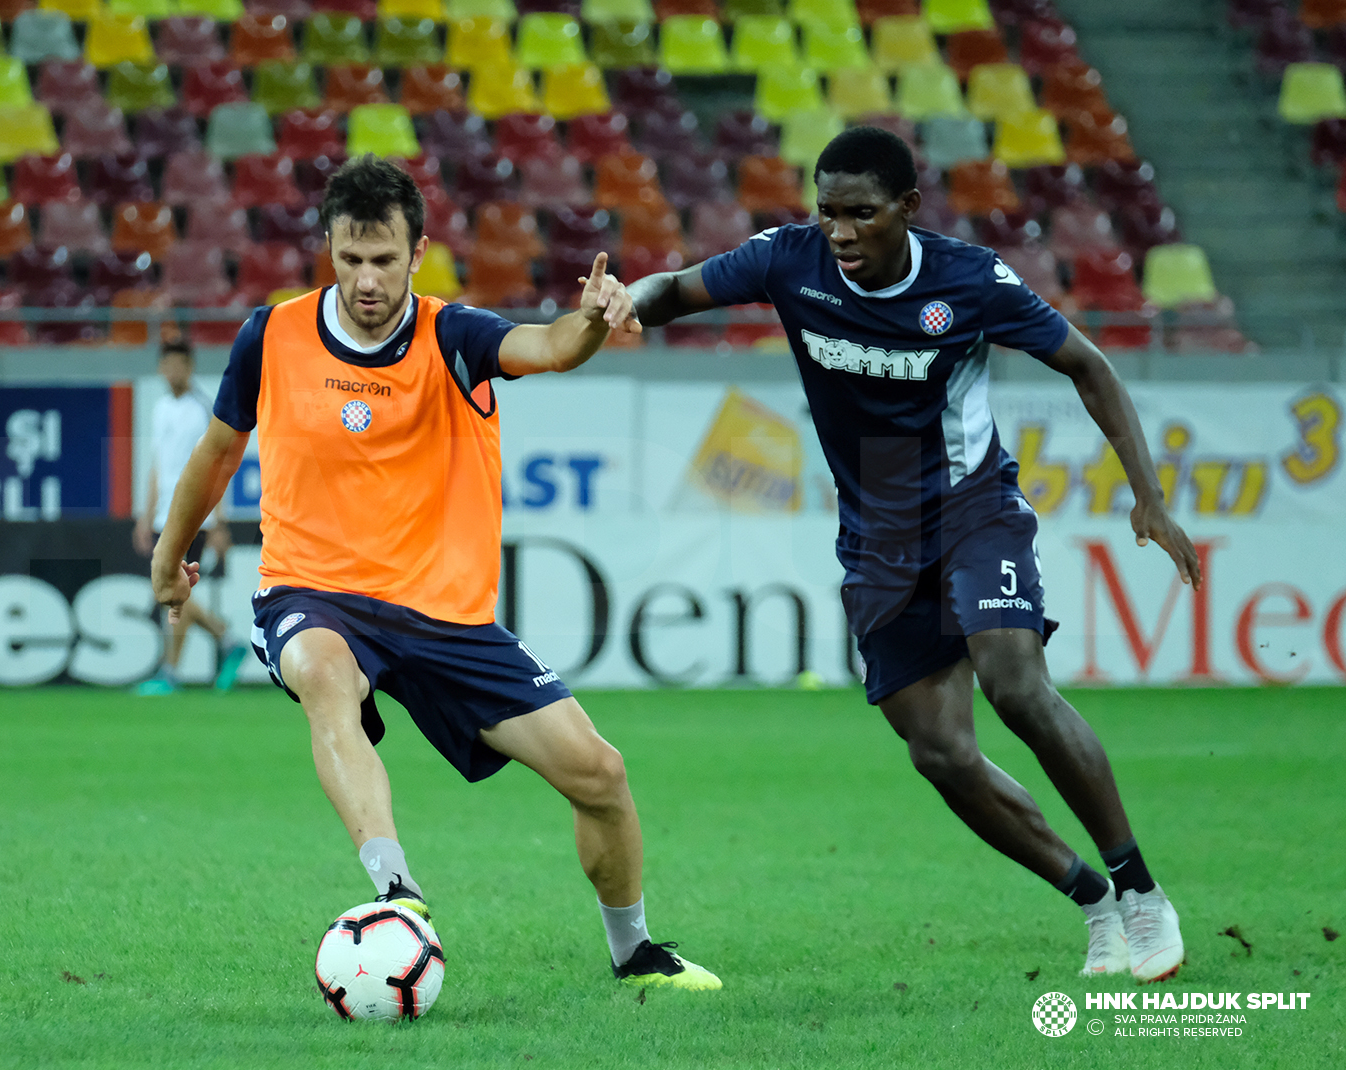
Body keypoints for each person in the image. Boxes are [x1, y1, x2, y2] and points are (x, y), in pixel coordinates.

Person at [628, 126, 1194, 983]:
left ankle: (1143, 892)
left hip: (973, 507)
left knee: (1014, 682)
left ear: (908, 208)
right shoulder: (789, 260)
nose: (842, 232)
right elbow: (673, 289)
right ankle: (1092, 901)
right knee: (938, 752)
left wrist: (1147, 494)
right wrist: (618, 304)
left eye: (861, 213)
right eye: (828, 214)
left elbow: (1090, 366)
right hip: (877, 534)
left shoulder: (969, 282)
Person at [149, 155, 721, 991]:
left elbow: (550, 346)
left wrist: (592, 321)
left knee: (600, 775)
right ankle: (395, 890)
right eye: (350, 259)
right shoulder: (269, 336)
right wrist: (170, 556)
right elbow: (217, 450)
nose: (366, 279)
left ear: (418, 253)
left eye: (384, 260)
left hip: (443, 615)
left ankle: (634, 951)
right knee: (321, 672)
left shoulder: (456, 336)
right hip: (313, 589)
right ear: (330, 249)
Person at [134, 340, 247, 695]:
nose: (173, 371)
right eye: (167, 365)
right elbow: (158, 465)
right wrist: (145, 513)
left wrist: (220, 522)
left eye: (180, 365)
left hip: (193, 512)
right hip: (163, 512)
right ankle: (226, 641)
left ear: (190, 368)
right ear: (160, 369)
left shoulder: (202, 409)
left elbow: (217, 466)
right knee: (171, 589)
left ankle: (171, 671)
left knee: (173, 588)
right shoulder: (162, 407)